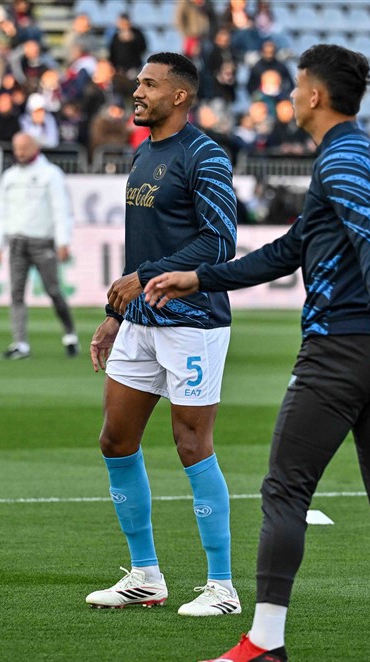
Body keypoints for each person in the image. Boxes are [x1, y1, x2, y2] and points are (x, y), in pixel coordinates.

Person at [144, 44, 370, 662]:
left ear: (315, 96)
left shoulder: (342, 157)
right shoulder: (366, 153)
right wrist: (201, 277)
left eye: (297, 86)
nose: (291, 96)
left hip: (344, 348)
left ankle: (265, 644)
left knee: (285, 491)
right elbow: (292, 248)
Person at [85, 53, 240, 617]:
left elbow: (220, 242)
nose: (137, 91)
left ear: (180, 96)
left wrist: (145, 276)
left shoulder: (205, 156)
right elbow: (143, 248)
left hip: (193, 321)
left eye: (149, 84)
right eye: (138, 82)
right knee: (115, 440)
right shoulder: (143, 153)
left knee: (192, 444)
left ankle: (222, 587)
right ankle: (145, 576)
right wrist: (116, 312)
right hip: (142, 320)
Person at [0, 133, 78, 360]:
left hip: (42, 241)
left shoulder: (50, 174)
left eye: (24, 147)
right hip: (16, 241)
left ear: (35, 148)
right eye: (16, 147)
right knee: (16, 293)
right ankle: (20, 343)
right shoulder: (9, 177)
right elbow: (2, 212)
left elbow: (61, 209)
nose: (19, 152)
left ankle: (70, 334)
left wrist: (63, 241)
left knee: (53, 291)